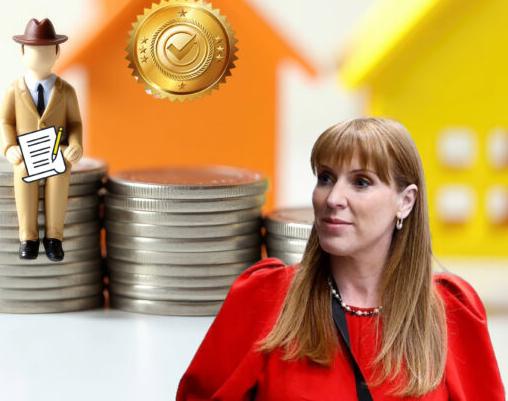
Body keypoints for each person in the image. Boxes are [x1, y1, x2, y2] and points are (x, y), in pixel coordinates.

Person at [177, 117, 504, 400]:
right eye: (326, 178)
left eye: (361, 182)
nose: (333, 198)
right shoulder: (263, 297)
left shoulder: (452, 311)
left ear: (405, 202)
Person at [0, 18, 83, 262]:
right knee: (24, 172)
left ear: (57, 52)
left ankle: (54, 237)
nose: (40, 55)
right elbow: (5, 121)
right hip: (27, 151)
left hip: (56, 149)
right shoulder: (13, 90)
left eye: (46, 50)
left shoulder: (66, 91)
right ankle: (28, 237)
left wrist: (75, 145)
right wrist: (9, 147)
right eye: (34, 50)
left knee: (60, 172)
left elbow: (75, 123)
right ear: (23, 52)